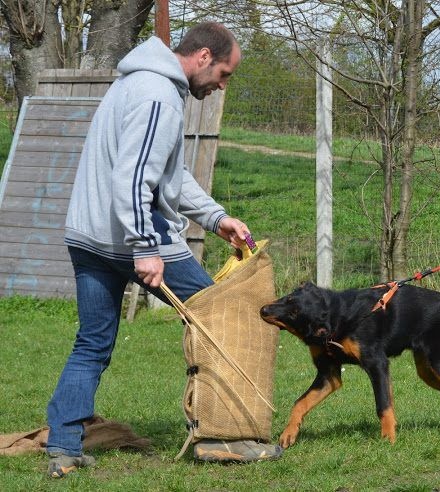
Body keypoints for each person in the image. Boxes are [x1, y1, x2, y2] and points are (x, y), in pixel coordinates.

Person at [47, 23, 282, 478]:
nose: (221, 85)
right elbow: (134, 181)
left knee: (92, 342)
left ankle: (64, 447)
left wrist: (216, 217)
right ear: (203, 56)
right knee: (220, 317)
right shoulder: (159, 96)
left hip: (89, 236)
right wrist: (144, 248)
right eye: (224, 74)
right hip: (130, 240)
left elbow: (167, 175)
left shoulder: (136, 82)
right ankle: (224, 439)